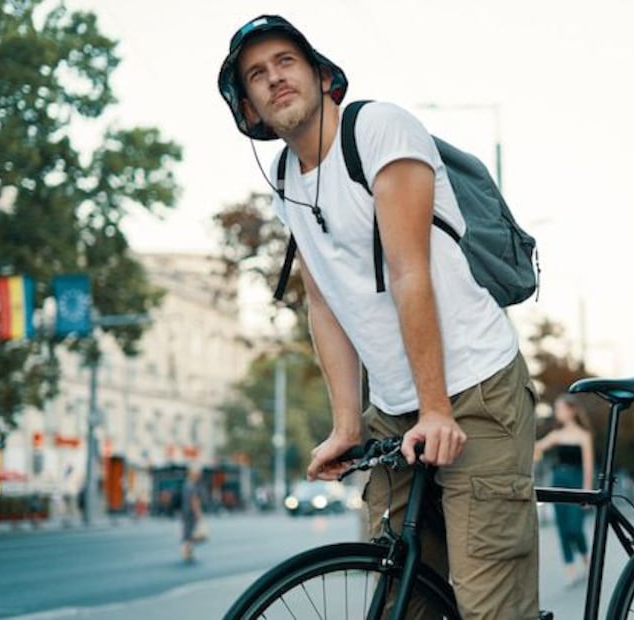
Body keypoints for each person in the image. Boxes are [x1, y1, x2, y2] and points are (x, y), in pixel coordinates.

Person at [218, 15, 539, 618]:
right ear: (249, 108)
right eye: (256, 75)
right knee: (403, 600)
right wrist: (347, 424)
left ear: (320, 74)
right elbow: (324, 304)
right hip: (394, 410)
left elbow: (408, 271)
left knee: (491, 605)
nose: (274, 78)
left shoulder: (380, 130)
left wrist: (438, 407)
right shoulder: (286, 181)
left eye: (286, 61)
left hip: (474, 388)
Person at [534, 394, 594, 585]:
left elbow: (589, 466)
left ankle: (587, 560)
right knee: (562, 528)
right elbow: (537, 447)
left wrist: (587, 492)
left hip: (576, 482)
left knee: (575, 528)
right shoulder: (557, 435)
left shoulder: (584, 435)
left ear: (571, 410)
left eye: (560, 409)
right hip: (558, 481)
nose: (557, 413)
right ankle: (570, 569)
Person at [180, 466, 205, 562]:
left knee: (187, 533)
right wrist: (198, 514)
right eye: (198, 475)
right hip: (190, 513)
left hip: (185, 512)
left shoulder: (186, 485)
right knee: (190, 534)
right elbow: (194, 501)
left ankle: (188, 552)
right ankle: (187, 552)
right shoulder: (192, 486)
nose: (199, 477)